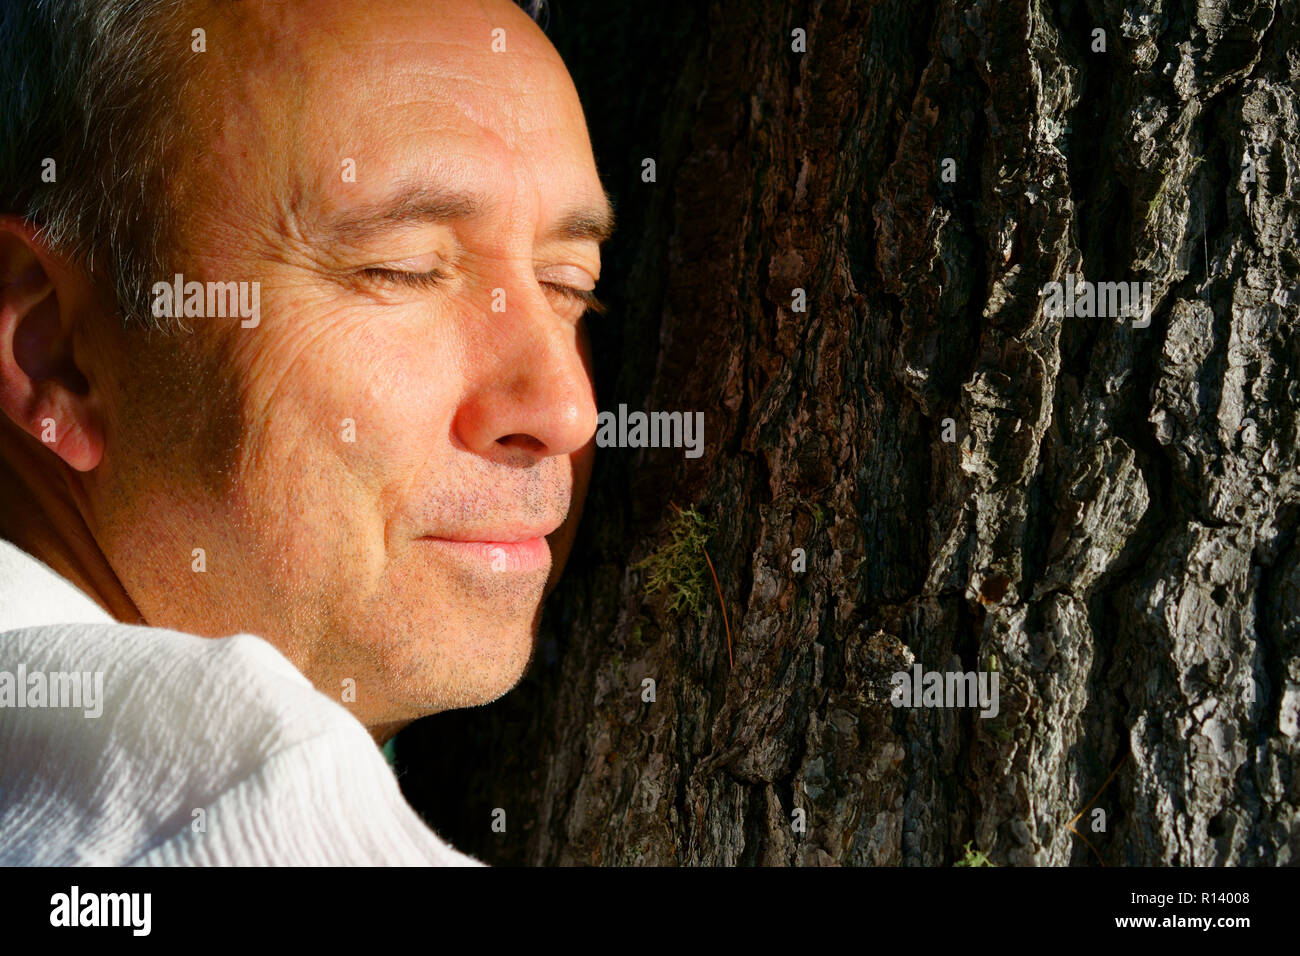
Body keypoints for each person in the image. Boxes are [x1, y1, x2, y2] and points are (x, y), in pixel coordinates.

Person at [0, 0, 613, 865]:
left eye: (569, 283)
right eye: (401, 271)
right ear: (57, 352)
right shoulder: (258, 813)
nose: (566, 409)